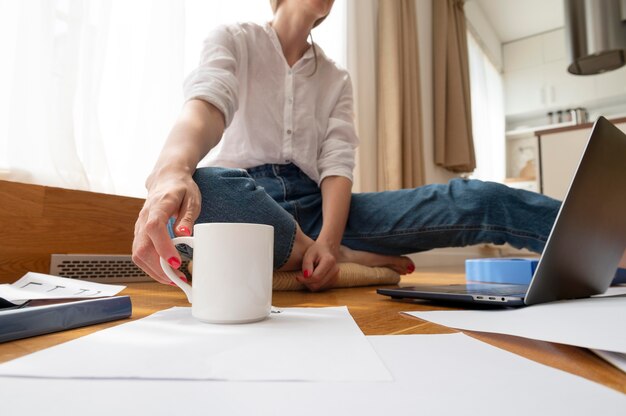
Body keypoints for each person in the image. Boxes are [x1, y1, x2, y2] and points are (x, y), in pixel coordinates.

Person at [132, 0, 561, 292]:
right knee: (207, 191)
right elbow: (207, 102)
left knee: (478, 197)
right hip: (252, 201)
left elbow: (338, 163)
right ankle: (327, 254)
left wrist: (331, 242)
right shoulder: (233, 38)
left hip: (323, 207)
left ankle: (609, 239)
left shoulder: (336, 78)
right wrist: (173, 169)